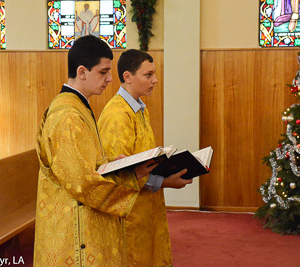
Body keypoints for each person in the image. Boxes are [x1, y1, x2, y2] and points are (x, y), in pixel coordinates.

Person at [34, 36, 156, 267]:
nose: (110, 79)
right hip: (73, 230)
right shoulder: (68, 116)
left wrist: (113, 162)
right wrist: (130, 174)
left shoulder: (77, 106)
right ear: (82, 72)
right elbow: (81, 181)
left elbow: (83, 162)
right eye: (103, 72)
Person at [98, 49, 193, 266]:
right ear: (128, 77)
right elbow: (118, 172)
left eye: (154, 74)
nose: (155, 80)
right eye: (148, 75)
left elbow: (141, 159)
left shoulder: (139, 108)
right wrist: (164, 181)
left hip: (146, 205)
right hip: (129, 211)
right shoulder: (117, 115)